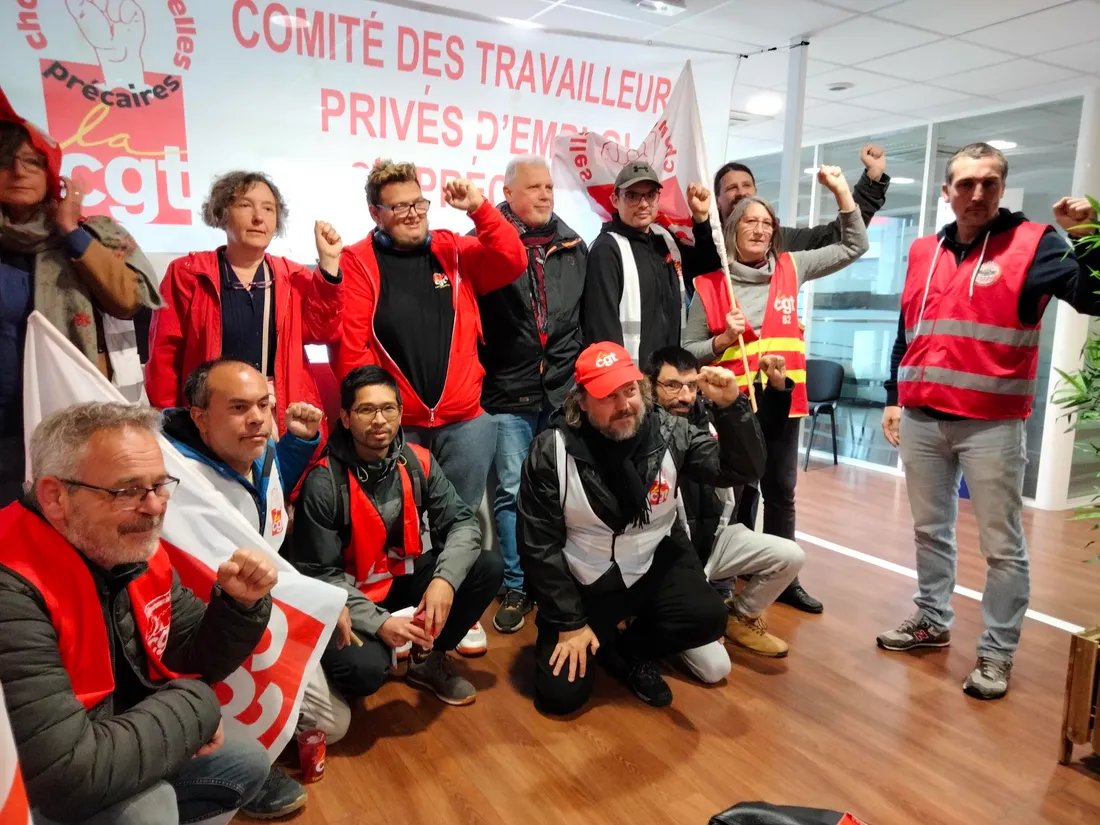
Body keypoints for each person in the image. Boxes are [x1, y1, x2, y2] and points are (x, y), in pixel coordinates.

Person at [876, 142, 1100, 701]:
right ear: (946, 191)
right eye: (966, 184)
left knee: (1003, 547)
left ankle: (997, 652)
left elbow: (1093, 297)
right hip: (922, 418)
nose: (977, 194)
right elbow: (908, 331)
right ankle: (932, 619)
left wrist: (1086, 236)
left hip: (992, 425)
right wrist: (893, 397)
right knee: (929, 530)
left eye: (989, 183)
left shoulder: (1035, 243)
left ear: (1001, 188)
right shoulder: (924, 250)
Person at [0, 402, 276, 825]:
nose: (155, 507)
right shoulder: (12, 587)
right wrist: (199, 707)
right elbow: (65, 776)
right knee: (148, 809)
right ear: (55, 497)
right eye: (127, 491)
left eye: (160, 485)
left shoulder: (122, 548)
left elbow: (190, 655)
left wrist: (238, 607)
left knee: (244, 761)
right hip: (39, 782)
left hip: (106, 736)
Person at [517, 342, 766, 714]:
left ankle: (631, 650)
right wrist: (570, 622)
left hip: (650, 566)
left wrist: (732, 408)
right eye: (608, 396)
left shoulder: (671, 432)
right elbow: (538, 547)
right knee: (559, 698)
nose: (624, 405)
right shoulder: (550, 451)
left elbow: (741, 469)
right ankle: (596, 635)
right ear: (581, 402)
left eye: (629, 390)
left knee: (708, 617)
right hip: (585, 582)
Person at [684, 165, 869, 615]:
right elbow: (687, 352)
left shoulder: (792, 266)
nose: (760, 230)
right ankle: (724, 581)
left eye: (767, 223)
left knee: (781, 492)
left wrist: (842, 191)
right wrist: (721, 342)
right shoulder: (711, 285)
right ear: (732, 229)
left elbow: (854, 245)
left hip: (782, 401)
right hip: (731, 408)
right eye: (750, 221)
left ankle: (784, 580)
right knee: (735, 495)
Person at [162, 357, 351, 783]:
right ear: (200, 418)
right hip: (209, 624)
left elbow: (261, 506)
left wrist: (298, 443)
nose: (258, 419)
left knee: (334, 723)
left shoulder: (260, 453)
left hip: (271, 605)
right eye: (238, 407)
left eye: (264, 405)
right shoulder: (176, 480)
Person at [289, 366, 504, 707]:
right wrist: (380, 623)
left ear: (401, 413)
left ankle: (427, 660)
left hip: (399, 578)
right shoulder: (324, 482)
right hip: (349, 597)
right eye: (366, 409)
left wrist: (444, 581)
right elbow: (319, 576)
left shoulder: (417, 461)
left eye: (388, 408)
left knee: (486, 566)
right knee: (363, 671)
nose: (379, 420)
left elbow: (463, 523)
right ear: (345, 418)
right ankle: (331, 666)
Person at [335, 159, 527, 513]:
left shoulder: (452, 250)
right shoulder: (357, 261)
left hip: (464, 423)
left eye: (418, 204)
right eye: (399, 207)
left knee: (458, 525)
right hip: (396, 426)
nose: (413, 214)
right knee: (395, 526)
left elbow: (512, 260)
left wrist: (480, 209)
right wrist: (377, 413)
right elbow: (352, 350)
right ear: (376, 214)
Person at [0, 88, 160, 507]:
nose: (17, 171)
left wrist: (71, 230)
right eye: (5, 162)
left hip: (71, 421)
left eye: (32, 162)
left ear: (52, 173)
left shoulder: (93, 233)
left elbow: (130, 298)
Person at [145, 171, 344, 437]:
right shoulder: (188, 274)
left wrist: (329, 265)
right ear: (222, 212)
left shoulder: (294, 276)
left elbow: (324, 333)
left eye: (268, 208)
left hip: (280, 415)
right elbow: (165, 357)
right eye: (245, 205)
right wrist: (171, 422)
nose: (258, 217)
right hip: (212, 416)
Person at [480, 155, 587, 634]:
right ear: (508, 193)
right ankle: (516, 584)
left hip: (562, 391)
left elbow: (581, 320)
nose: (545, 194)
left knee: (558, 491)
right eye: (534, 187)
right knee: (510, 491)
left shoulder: (574, 244)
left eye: (549, 187)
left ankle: (552, 582)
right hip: (508, 390)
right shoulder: (484, 244)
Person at [648, 346, 804, 670]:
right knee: (715, 667)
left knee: (791, 555)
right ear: (650, 386)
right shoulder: (641, 432)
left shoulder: (711, 417)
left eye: (691, 386)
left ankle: (739, 615)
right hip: (666, 559)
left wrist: (774, 391)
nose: (684, 396)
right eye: (672, 385)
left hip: (714, 542)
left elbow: (755, 445)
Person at [581, 161, 721, 369]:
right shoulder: (606, 250)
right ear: (615, 200)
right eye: (632, 196)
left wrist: (701, 221)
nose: (643, 204)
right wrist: (622, 381)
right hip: (633, 379)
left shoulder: (666, 239)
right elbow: (602, 327)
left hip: (671, 376)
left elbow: (706, 271)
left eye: (650, 195)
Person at [713, 144, 889, 244]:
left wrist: (872, 179)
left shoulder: (780, 241)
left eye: (747, 185)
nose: (741, 192)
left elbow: (840, 237)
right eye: (731, 188)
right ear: (717, 200)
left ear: (756, 192)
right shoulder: (707, 243)